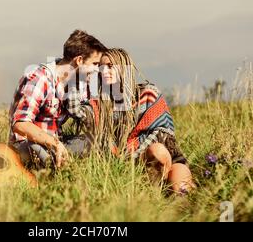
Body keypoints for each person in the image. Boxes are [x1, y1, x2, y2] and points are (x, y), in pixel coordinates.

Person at [67, 48, 195, 194]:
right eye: (101, 67)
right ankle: (152, 197)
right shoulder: (100, 103)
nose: (104, 71)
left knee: (180, 189)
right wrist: (74, 76)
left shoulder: (147, 94)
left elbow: (162, 134)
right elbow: (76, 111)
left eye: (110, 66)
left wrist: (130, 152)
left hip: (164, 159)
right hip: (129, 167)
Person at [8, 30, 108, 170]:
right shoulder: (39, 78)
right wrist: (55, 144)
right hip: (27, 144)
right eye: (95, 64)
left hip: (56, 142)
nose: (98, 69)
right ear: (79, 60)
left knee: (98, 143)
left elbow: (92, 110)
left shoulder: (79, 83)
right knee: (49, 160)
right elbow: (20, 125)